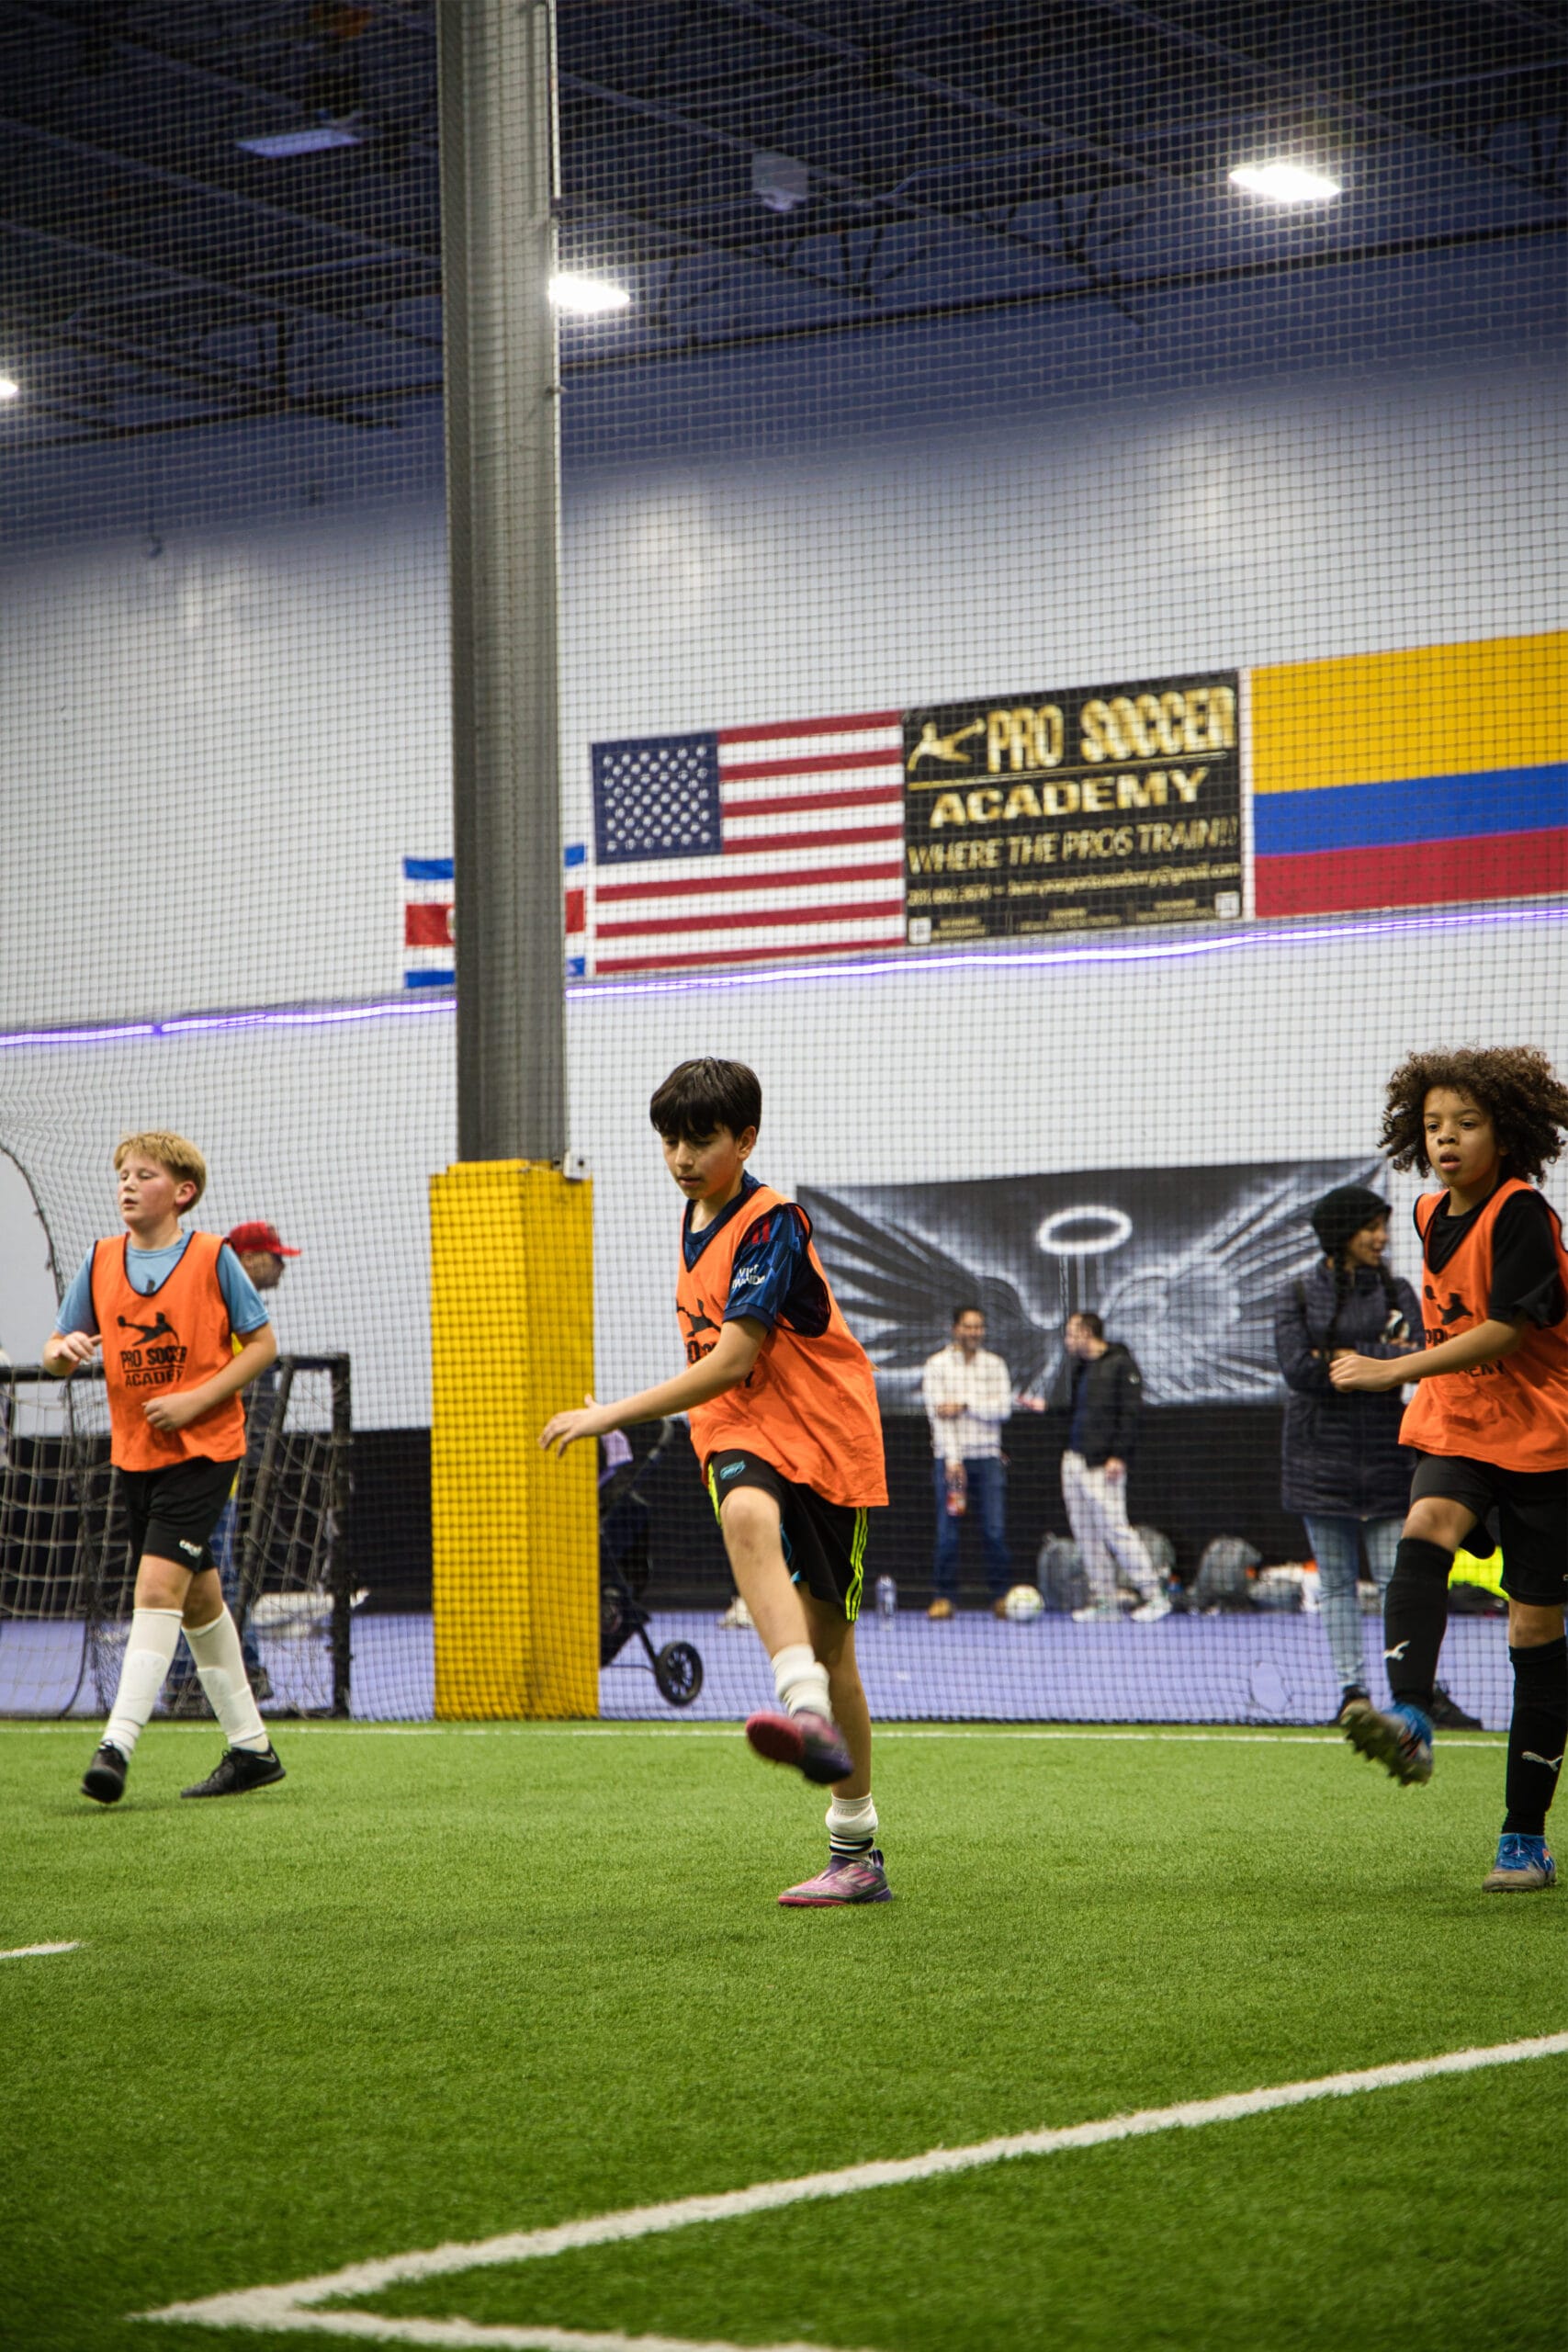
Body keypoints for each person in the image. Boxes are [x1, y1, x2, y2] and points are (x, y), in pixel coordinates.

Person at [542, 1057, 890, 1907]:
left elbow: (733, 1357)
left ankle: (856, 1850)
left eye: (700, 1141)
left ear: (747, 1139)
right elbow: (729, 1385)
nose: (681, 1158)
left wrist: (612, 1413)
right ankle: (801, 1708)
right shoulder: (691, 1214)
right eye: (669, 1141)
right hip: (738, 1427)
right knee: (743, 1515)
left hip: (828, 1437)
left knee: (836, 1651)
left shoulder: (773, 1225)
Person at [1331, 1048, 1568, 1893]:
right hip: (1461, 1422)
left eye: (1466, 1123)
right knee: (1425, 1526)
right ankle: (1409, 1715)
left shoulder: (1522, 1213)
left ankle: (1522, 1838)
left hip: (1543, 1436)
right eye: (1433, 1125)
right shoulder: (1428, 1211)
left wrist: (1393, 1370)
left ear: (1505, 1134)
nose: (1446, 1139)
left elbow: (1505, 1330)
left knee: (1532, 1633)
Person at [43, 1132, 287, 1804]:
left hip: (205, 1450)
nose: (127, 1184)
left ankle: (115, 1746)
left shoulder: (213, 1257)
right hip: (137, 1454)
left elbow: (262, 1344)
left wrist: (195, 1401)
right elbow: (55, 1350)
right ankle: (252, 1750)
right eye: (122, 1174)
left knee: (155, 1589)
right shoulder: (100, 1260)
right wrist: (63, 1352)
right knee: (201, 1600)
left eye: (144, 1175)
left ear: (182, 1192)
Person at [1276, 1185, 1423, 1721]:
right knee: (1336, 1584)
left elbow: (1420, 1354)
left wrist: (1345, 1356)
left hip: (1388, 1456)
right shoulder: (1297, 1293)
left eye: (1384, 1227)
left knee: (1396, 1583)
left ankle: (1409, 1693)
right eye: (1371, 1228)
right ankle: (1351, 1693)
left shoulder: (1398, 1290)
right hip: (1318, 1461)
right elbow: (1299, 1368)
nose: (1382, 1238)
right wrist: (1381, 1361)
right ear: (1342, 1233)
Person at [164, 1217, 299, 1715]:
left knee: (216, 1570)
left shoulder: (234, 1312)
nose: (281, 1266)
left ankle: (232, 1673)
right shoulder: (222, 1314)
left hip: (221, 1465)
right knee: (205, 1570)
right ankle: (197, 1679)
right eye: (274, 1256)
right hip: (203, 1464)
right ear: (246, 1260)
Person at [1059, 1311, 1169, 1622]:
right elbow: (1078, 1413)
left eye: (1071, 1333)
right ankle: (1105, 1600)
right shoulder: (1080, 1367)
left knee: (1115, 1529)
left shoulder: (1121, 1364)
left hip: (1103, 1464)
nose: (1067, 1340)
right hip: (1074, 1460)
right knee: (1085, 1532)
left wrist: (1118, 1455)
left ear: (1086, 1333)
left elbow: (1130, 1414)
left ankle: (1154, 1595)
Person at [920, 1305, 1016, 1620]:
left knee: (994, 1530)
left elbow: (1002, 1409)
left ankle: (1000, 1596)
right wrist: (953, 1459)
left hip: (988, 1459)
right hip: (951, 1463)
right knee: (947, 1532)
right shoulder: (937, 1365)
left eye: (979, 1326)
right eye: (968, 1326)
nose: (974, 1332)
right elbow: (938, 1416)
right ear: (955, 1329)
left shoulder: (995, 1365)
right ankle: (943, 1597)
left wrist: (964, 1405)